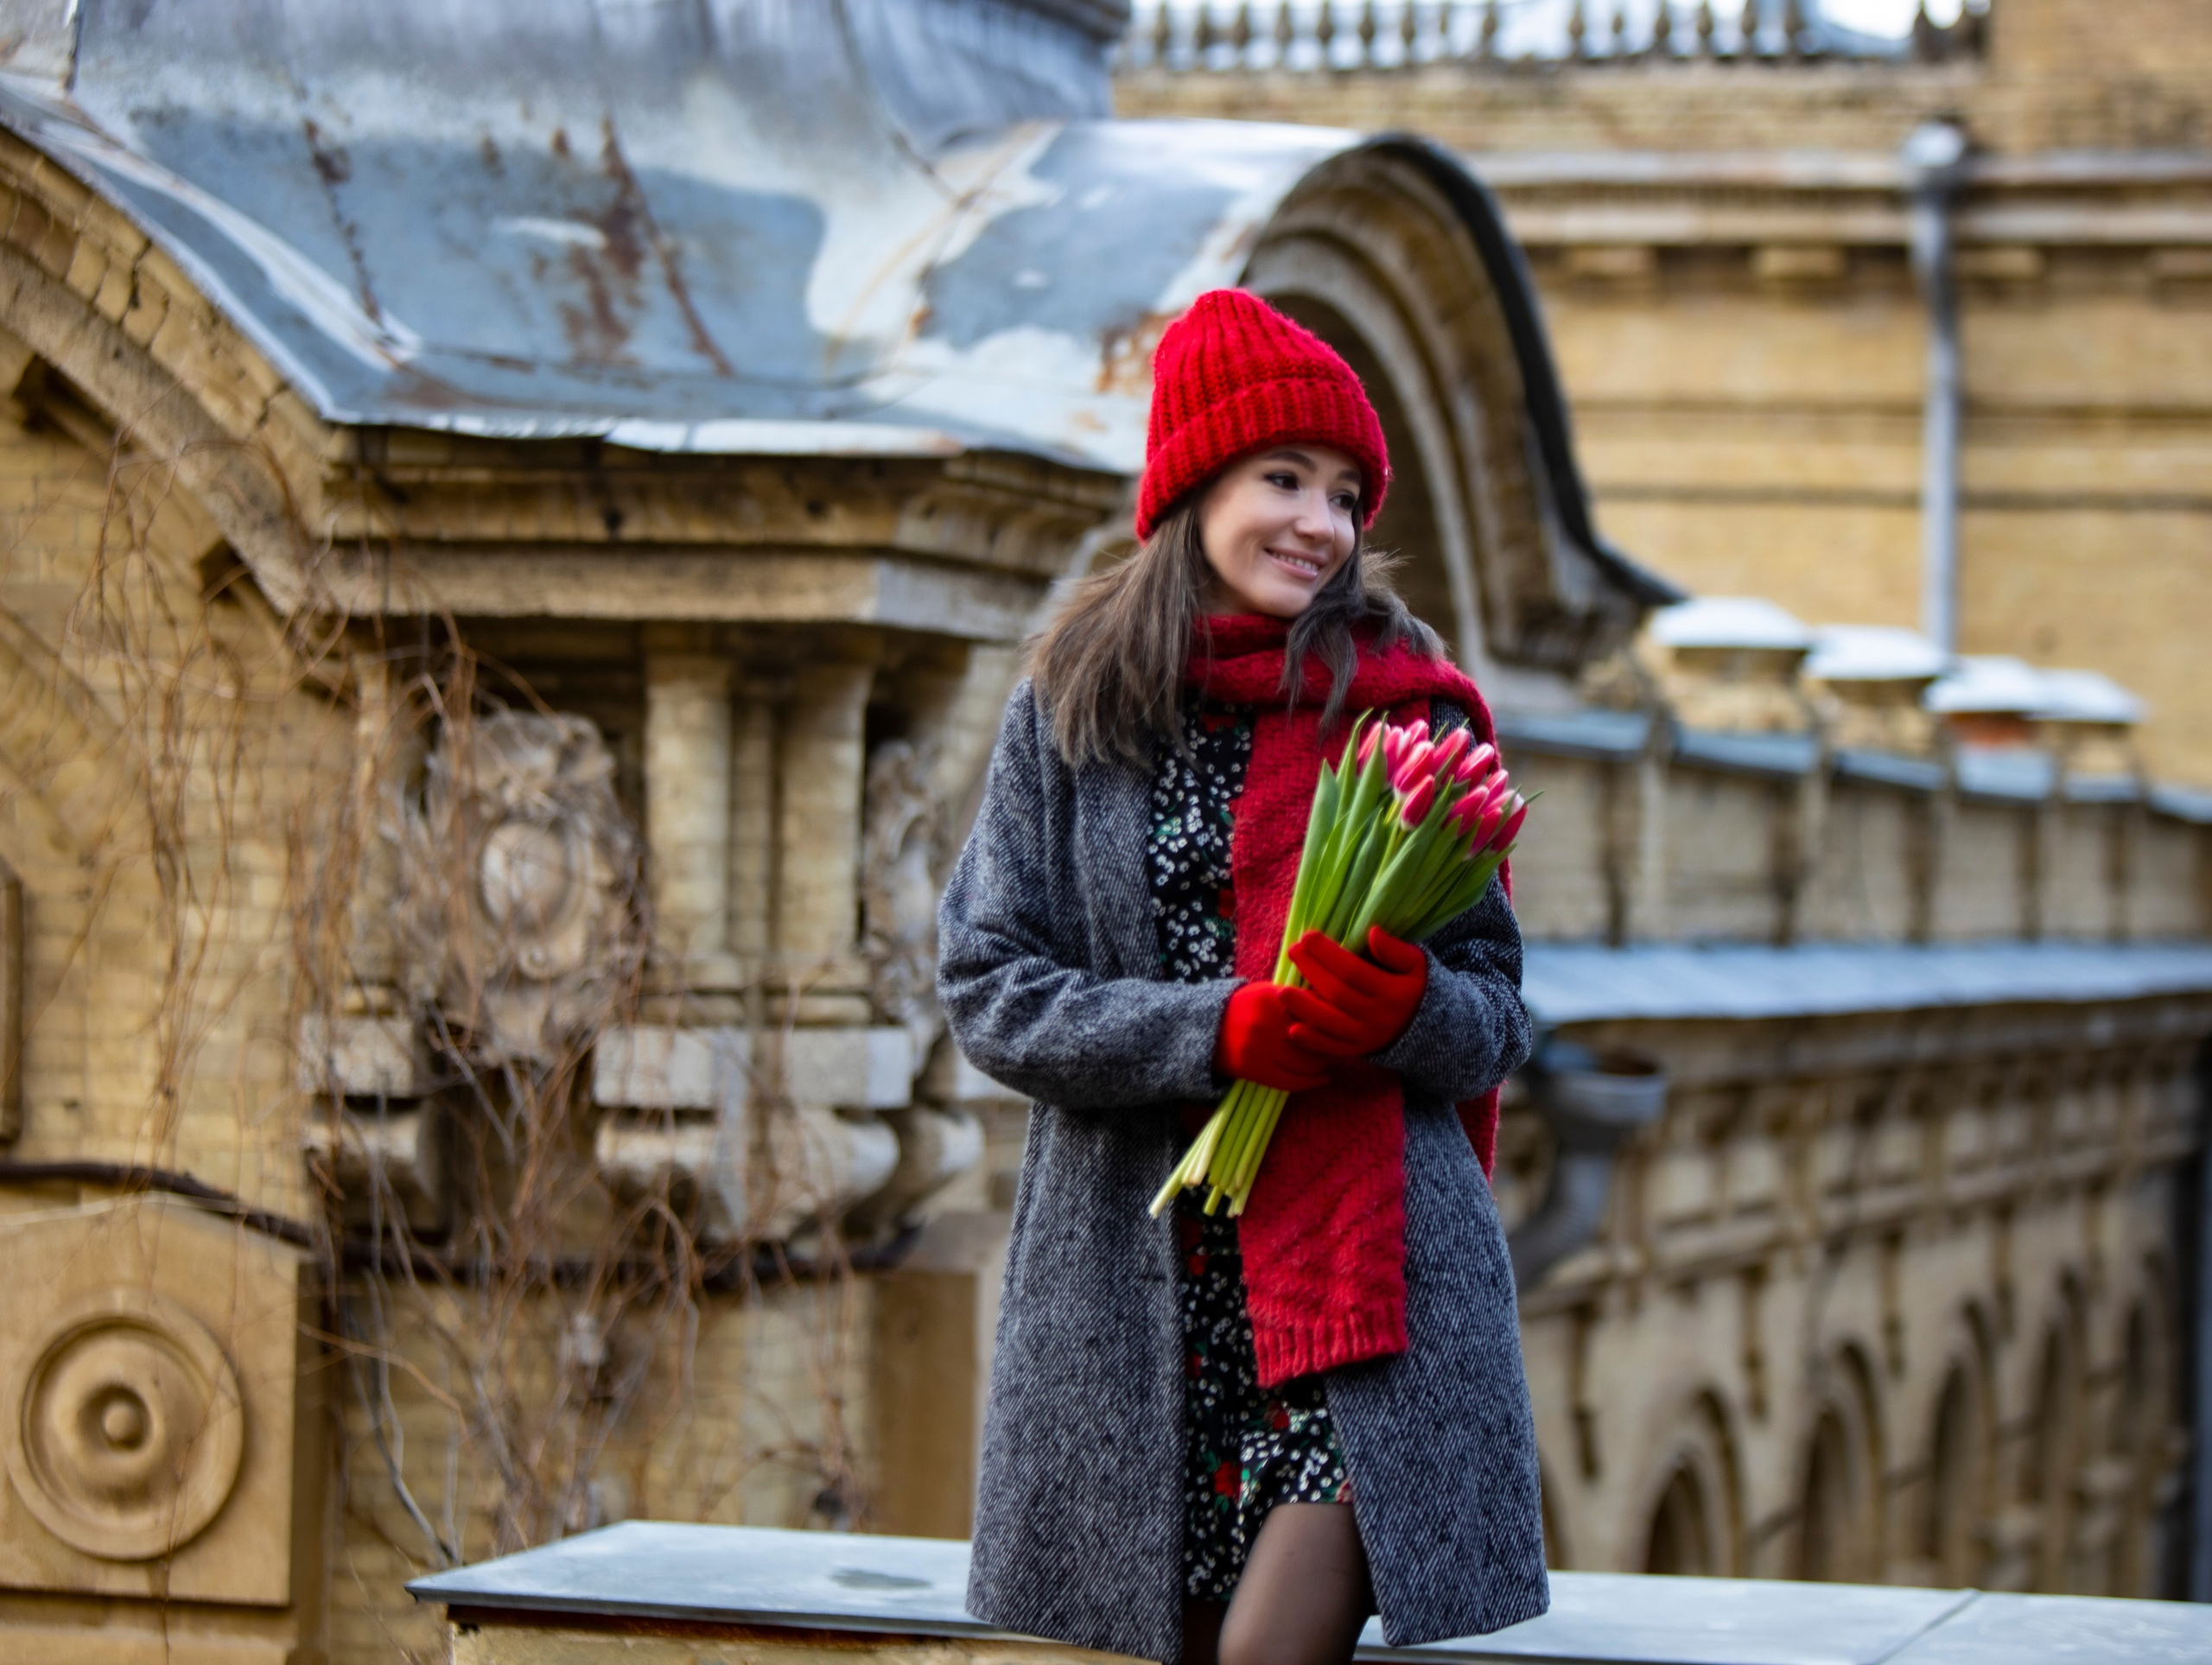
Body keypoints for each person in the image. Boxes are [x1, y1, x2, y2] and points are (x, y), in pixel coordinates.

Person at [938, 289, 1545, 1665]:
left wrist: (1403, 1012)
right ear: (1195, 481)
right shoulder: (1075, 703)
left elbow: (1497, 1015)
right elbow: (990, 986)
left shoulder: (1408, 705)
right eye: (1286, 479)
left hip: (1364, 1308)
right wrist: (1223, 1030)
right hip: (1137, 1302)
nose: (1321, 525)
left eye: (1343, 494)